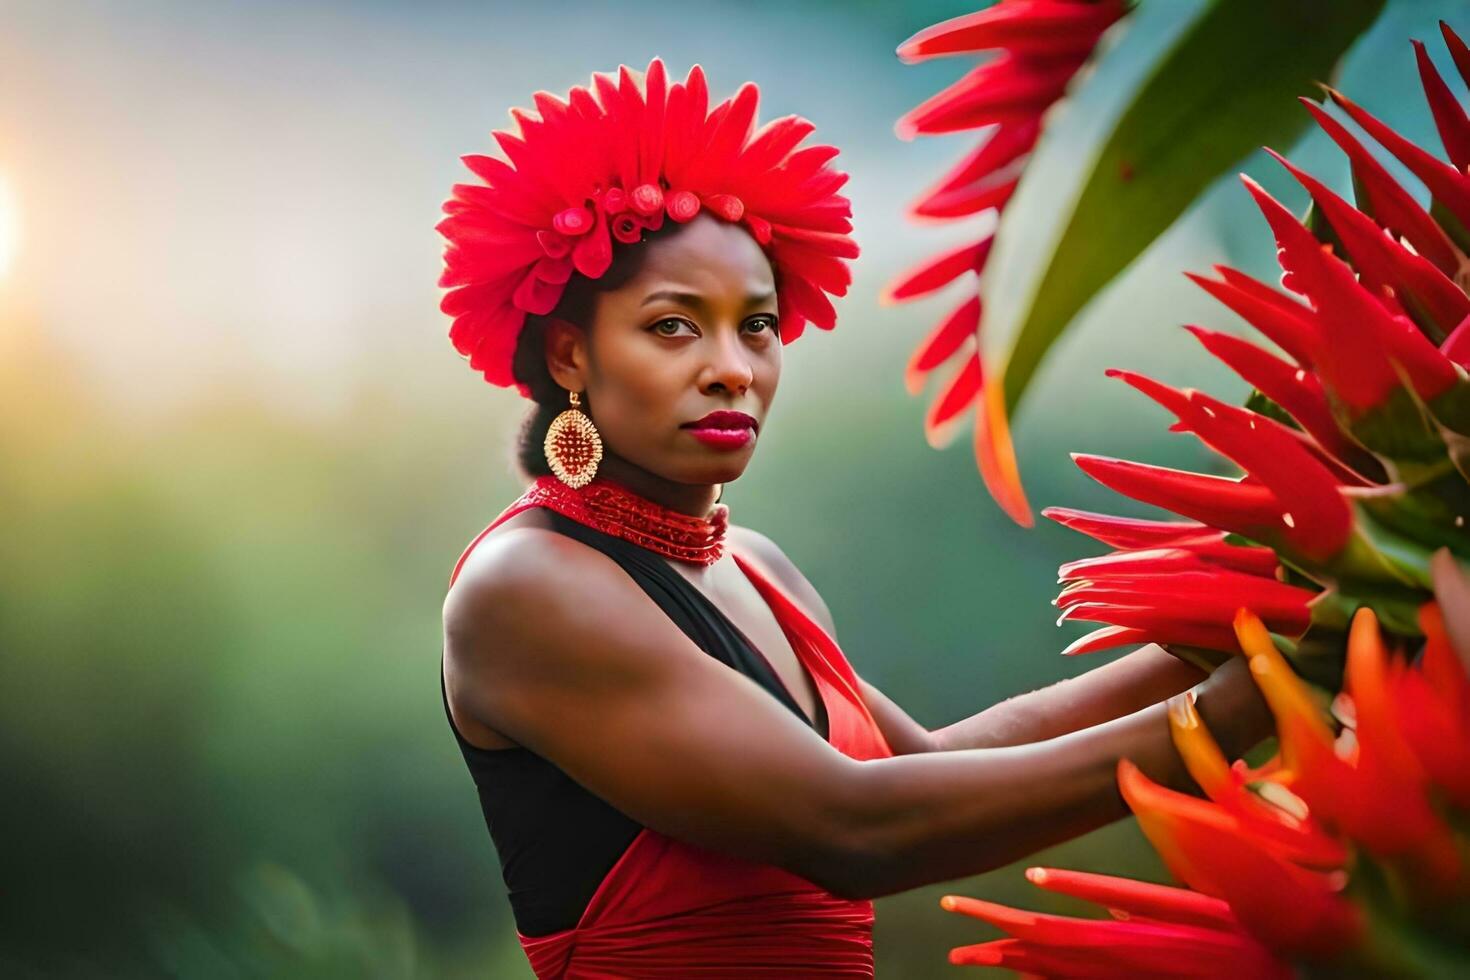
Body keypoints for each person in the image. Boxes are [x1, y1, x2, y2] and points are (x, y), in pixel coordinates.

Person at [436, 58, 1273, 978]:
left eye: (756, 326)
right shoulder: (528, 590)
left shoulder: (754, 567)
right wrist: (1232, 712)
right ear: (568, 354)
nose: (733, 369)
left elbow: (919, 768)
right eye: (674, 325)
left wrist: (1237, 636)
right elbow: (858, 827)